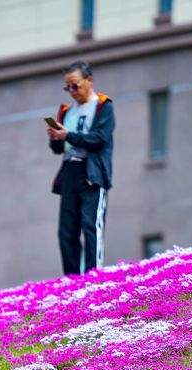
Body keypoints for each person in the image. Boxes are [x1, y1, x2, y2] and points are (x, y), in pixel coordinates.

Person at [47, 60, 115, 275]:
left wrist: (68, 135)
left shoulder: (103, 105)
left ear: (89, 81)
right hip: (69, 171)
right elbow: (58, 149)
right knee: (66, 231)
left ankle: (94, 276)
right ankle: (71, 280)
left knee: (91, 226)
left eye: (75, 85)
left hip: (92, 172)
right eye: (67, 87)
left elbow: (99, 139)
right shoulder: (66, 111)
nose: (71, 91)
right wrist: (56, 138)